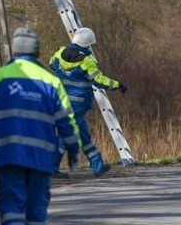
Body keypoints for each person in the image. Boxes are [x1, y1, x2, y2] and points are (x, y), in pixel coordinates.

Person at [0, 27, 81, 225]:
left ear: (14, 52)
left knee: (11, 205)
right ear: (37, 53)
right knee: (37, 209)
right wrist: (73, 150)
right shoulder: (52, 82)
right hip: (41, 158)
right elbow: (67, 121)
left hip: (7, 156)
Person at [50, 27, 128, 177]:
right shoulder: (87, 61)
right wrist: (118, 85)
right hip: (78, 105)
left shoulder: (59, 54)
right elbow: (99, 80)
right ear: (88, 44)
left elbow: (52, 64)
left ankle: (98, 166)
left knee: (84, 134)